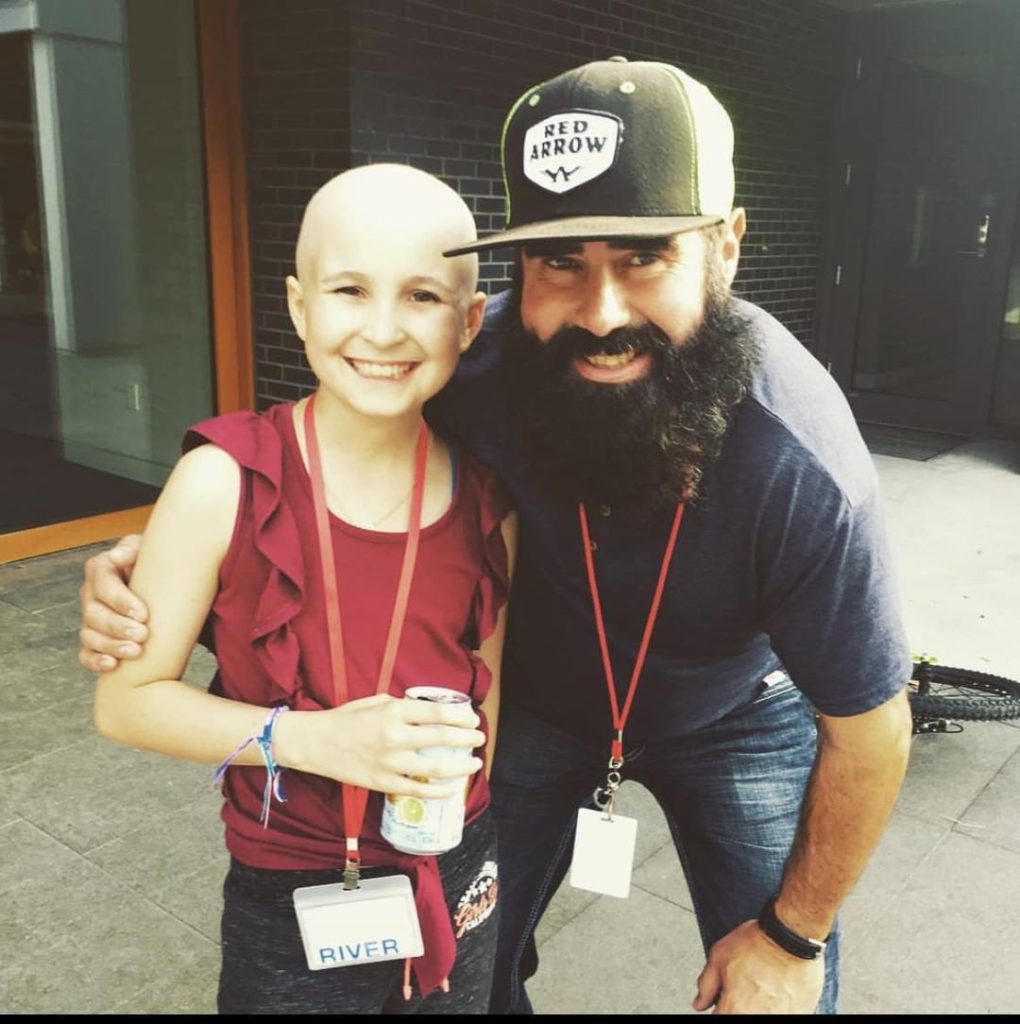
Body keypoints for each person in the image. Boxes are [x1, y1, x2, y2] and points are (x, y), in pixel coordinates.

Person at [79, 57, 913, 1015]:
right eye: (562, 262)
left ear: (726, 247)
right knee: (479, 955)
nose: (601, 312)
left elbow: (872, 731)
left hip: (726, 711)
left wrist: (791, 935)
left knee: (784, 989)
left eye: (644, 256)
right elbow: (322, 467)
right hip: (532, 709)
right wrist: (168, 561)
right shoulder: (462, 371)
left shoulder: (801, 462)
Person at [90, 163, 517, 1014]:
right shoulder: (224, 480)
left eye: (424, 297)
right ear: (298, 306)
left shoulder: (489, 500)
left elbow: (486, 699)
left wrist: (462, 826)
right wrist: (318, 742)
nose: (385, 329)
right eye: (351, 289)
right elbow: (126, 704)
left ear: (470, 321)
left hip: (455, 865)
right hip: (290, 885)